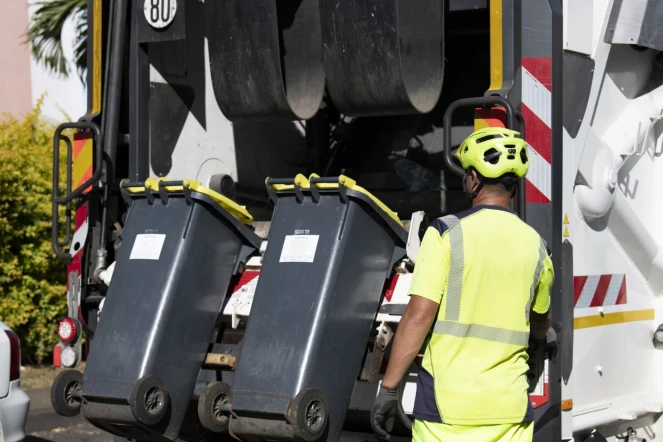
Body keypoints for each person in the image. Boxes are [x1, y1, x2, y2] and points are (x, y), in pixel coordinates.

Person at [370, 127, 554, 442]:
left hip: (447, 413)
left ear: (473, 179)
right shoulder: (537, 245)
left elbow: (418, 316)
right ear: (514, 186)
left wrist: (388, 388)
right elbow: (539, 325)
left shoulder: (446, 233)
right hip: (509, 412)